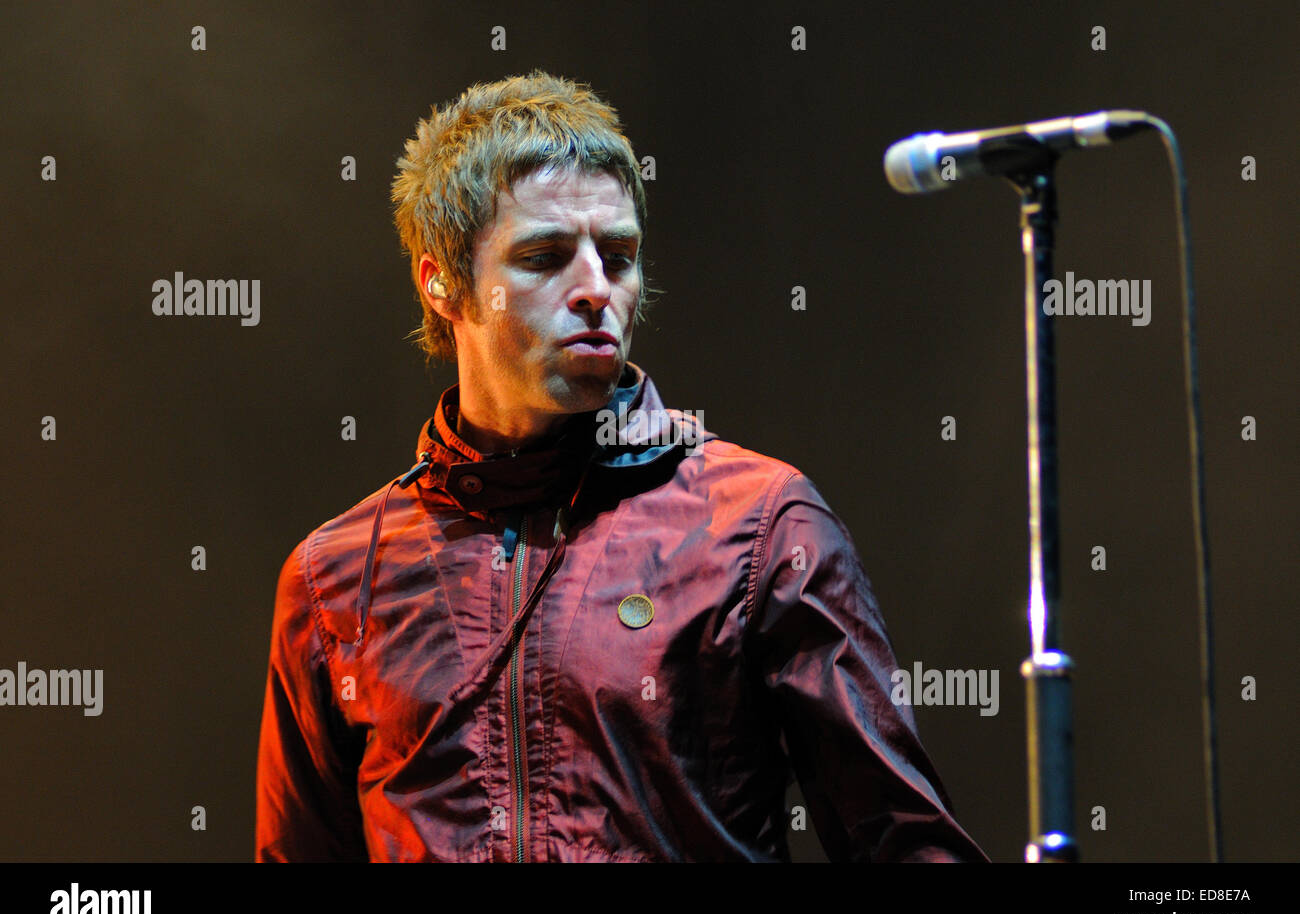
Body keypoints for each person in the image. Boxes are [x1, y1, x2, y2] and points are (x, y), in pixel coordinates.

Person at [255, 69, 988, 863]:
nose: (596, 289)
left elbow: (908, 848)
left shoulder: (758, 523)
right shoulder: (335, 579)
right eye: (545, 257)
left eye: (619, 255)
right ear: (441, 283)